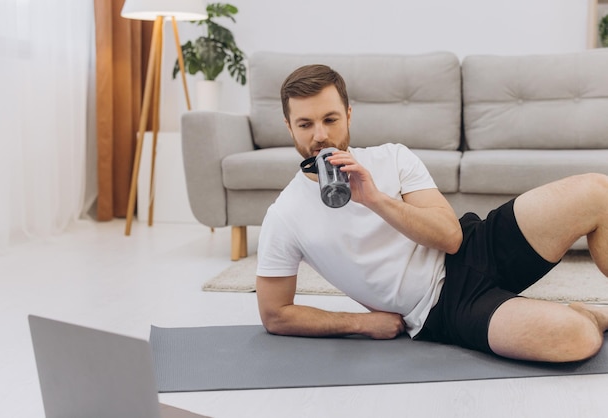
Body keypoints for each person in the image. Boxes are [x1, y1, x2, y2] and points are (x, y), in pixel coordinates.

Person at [255, 63, 608, 363]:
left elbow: (451, 238)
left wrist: (375, 199)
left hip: (476, 245)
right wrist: (360, 323)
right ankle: (586, 314)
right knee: (578, 337)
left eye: (330, 119)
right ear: (289, 127)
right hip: (443, 308)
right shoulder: (284, 216)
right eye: (305, 124)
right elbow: (275, 314)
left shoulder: (393, 157)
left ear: (348, 115)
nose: (321, 135)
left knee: (597, 191)